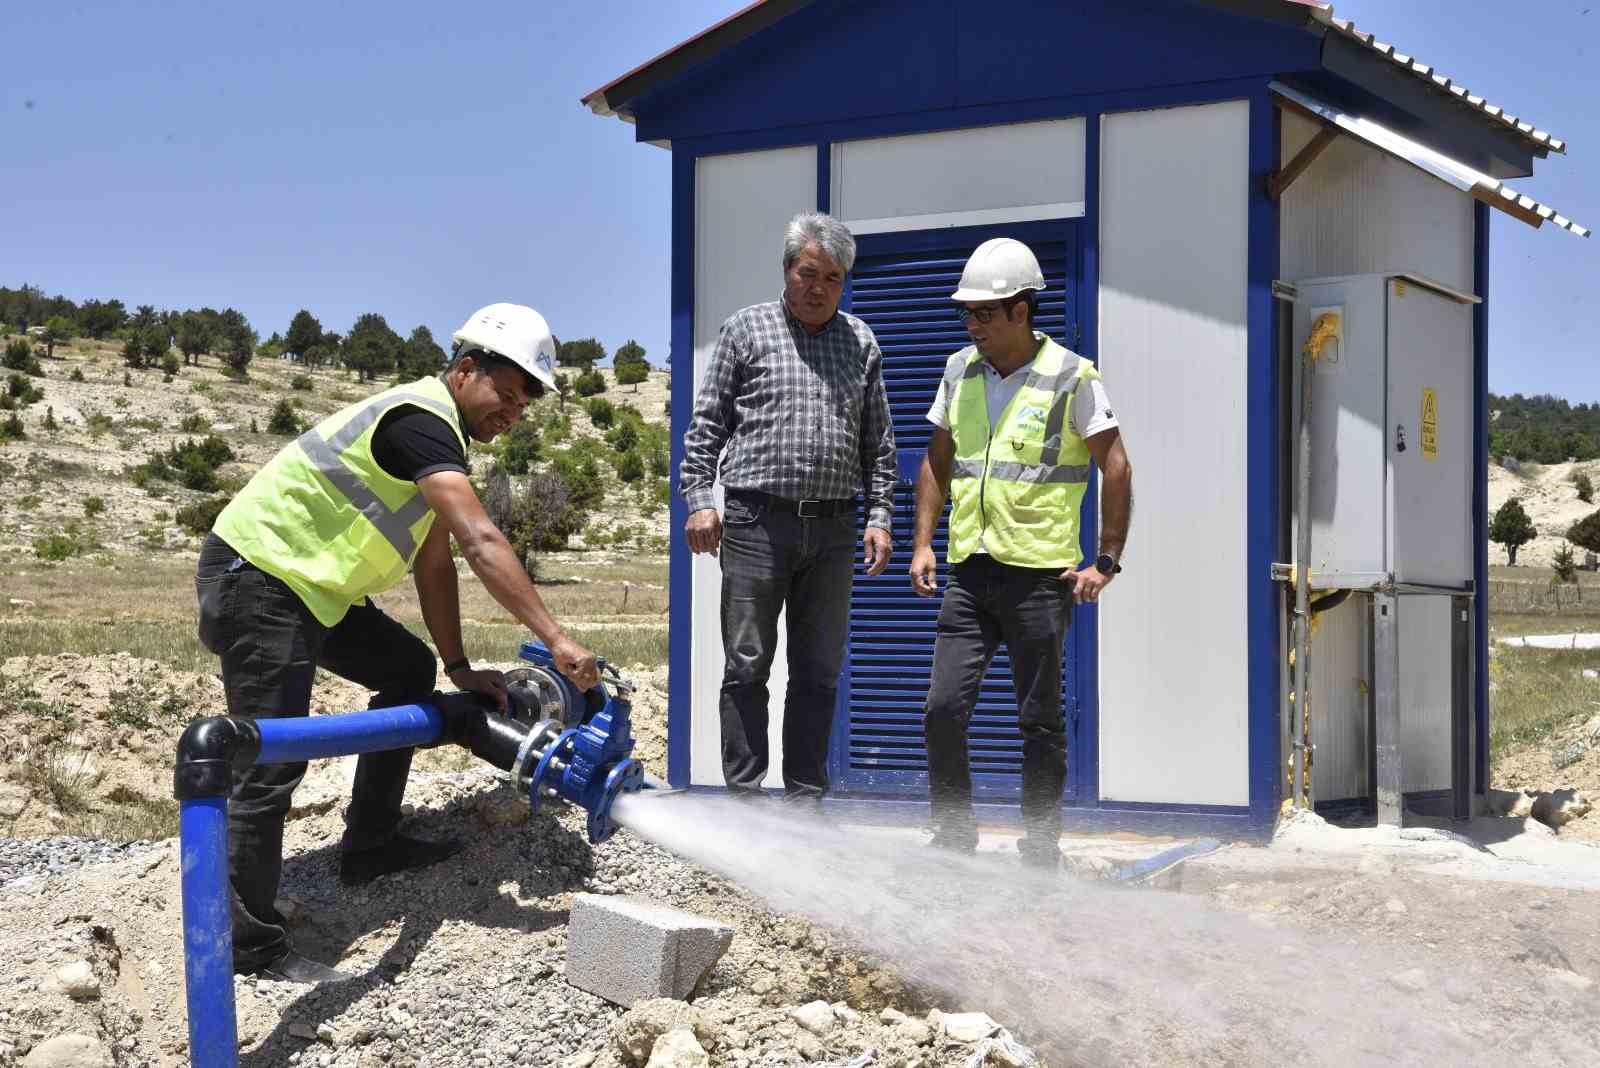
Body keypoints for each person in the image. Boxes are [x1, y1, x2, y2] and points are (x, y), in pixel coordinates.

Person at [194, 302, 599, 983]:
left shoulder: (440, 444)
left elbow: (434, 562)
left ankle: (371, 844)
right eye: (507, 393)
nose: (513, 413)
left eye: (525, 405)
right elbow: (479, 541)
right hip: (259, 580)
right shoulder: (420, 422)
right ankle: (249, 947)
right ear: (466, 369)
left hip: (307, 593)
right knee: (269, 763)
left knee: (409, 669)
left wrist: (459, 666)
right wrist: (555, 637)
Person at [910, 238, 1133, 868]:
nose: (972, 324)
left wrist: (1105, 560)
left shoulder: (1072, 375)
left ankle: (1041, 847)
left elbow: (1114, 466)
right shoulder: (960, 370)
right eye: (968, 314)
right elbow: (937, 458)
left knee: (1039, 721)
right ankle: (954, 836)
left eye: (984, 313)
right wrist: (924, 543)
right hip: (969, 572)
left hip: (1040, 577)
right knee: (942, 709)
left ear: (1021, 310)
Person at [680, 211, 897, 803]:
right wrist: (701, 501)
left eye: (831, 276)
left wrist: (879, 517)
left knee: (818, 672)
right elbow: (704, 429)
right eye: (808, 272)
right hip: (755, 523)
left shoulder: (862, 342)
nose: (818, 286)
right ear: (787, 270)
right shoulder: (745, 331)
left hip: (832, 529)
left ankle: (805, 801)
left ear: (844, 282)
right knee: (747, 663)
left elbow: (879, 444)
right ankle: (747, 801)